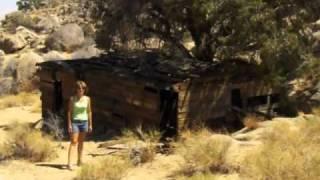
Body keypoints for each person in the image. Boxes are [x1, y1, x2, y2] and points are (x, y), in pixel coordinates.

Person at [67, 80, 92, 170]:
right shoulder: (72, 99)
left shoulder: (87, 99)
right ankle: (69, 163)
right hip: (75, 122)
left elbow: (89, 112)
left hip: (84, 122)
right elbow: (69, 112)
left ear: (85, 89)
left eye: (83, 88)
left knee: (81, 142)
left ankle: (79, 161)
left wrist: (90, 124)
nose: (81, 90)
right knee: (74, 141)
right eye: (79, 88)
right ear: (76, 89)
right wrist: (69, 125)